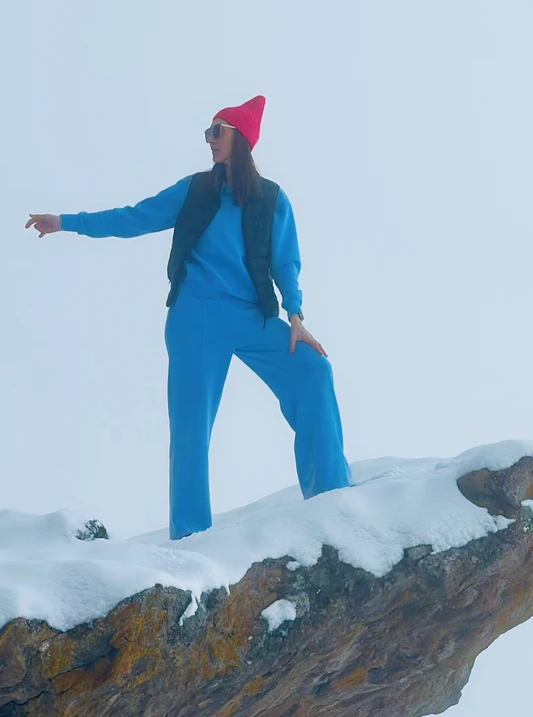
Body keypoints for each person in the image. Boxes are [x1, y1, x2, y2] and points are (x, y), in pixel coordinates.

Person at [25, 95, 353, 540]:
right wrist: (66, 221)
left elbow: (285, 262)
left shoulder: (272, 200)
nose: (209, 140)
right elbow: (133, 218)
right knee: (191, 426)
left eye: (217, 131)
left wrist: (295, 314)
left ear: (240, 138)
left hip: (252, 316)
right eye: (207, 133)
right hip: (195, 315)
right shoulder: (196, 189)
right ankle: (192, 536)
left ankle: (331, 497)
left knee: (314, 370)